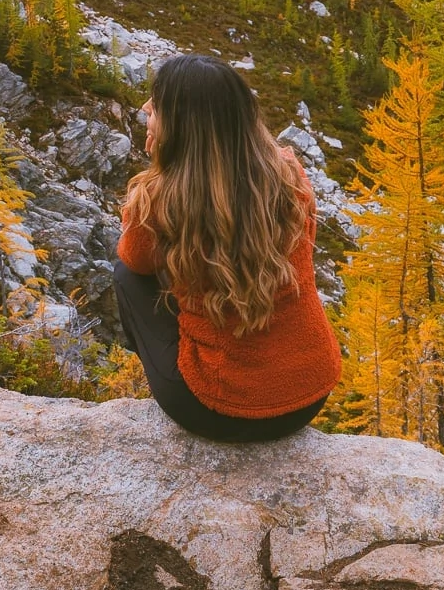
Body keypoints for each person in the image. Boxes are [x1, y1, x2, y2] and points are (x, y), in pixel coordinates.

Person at [113, 53, 341, 442]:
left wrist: (160, 166)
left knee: (127, 275)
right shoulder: (288, 174)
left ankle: (177, 358)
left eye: (156, 106)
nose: (144, 110)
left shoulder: (157, 198)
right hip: (308, 393)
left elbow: (134, 258)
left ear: (178, 127)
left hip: (217, 408)